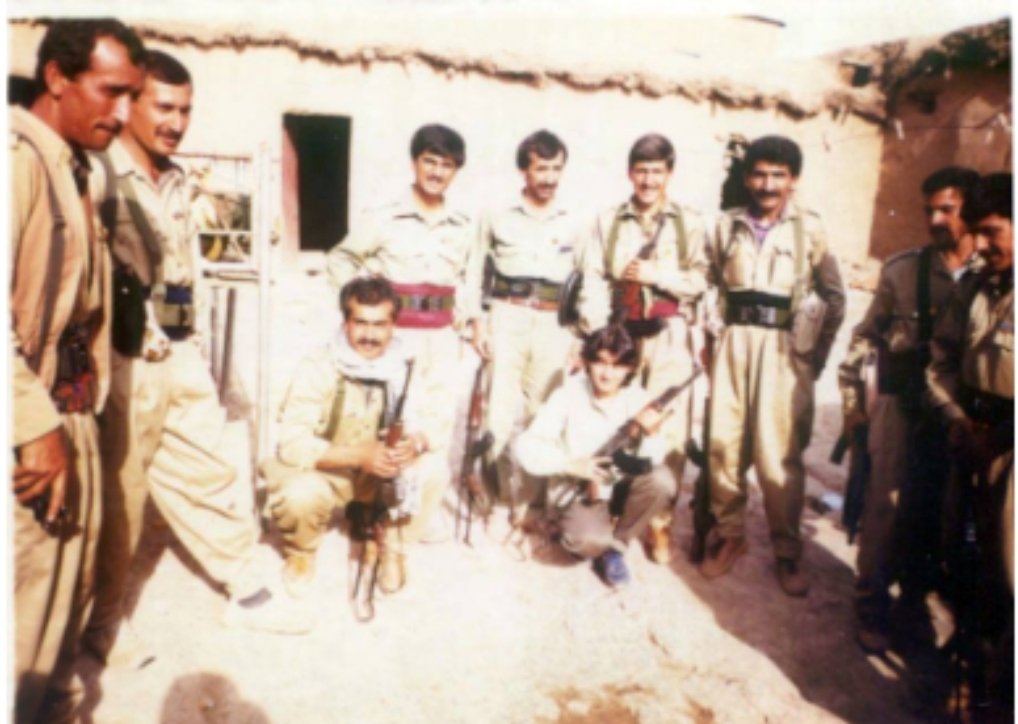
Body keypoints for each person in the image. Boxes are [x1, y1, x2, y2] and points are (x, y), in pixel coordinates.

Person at [85, 49, 300, 655]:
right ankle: (101, 627)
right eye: (165, 107)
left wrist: (197, 344)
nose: (177, 122)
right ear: (129, 104)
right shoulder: (100, 175)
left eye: (186, 109)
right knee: (120, 492)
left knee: (211, 468)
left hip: (178, 350)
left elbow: (188, 270)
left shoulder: (175, 177)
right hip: (125, 358)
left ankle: (248, 591)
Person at [10, 19, 144, 722]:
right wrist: (33, 425)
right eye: (110, 91)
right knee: (24, 632)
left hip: (70, 411)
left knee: (63, 610)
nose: (123, 115)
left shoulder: (73, 165)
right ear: (57, 79)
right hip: (30, 423)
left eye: (133, 98)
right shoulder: (15, 161)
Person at [838, 166, 981, 653]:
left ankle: (914, 602)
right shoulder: (902, 270)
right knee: (885, 508)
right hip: (901, 408)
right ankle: (872, 599)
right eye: (929, 210)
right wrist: (854, 404)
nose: (936, 219)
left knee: (942, 514)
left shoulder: (993, 277)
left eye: (949, 209)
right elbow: (864, 339)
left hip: (961, 416)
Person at [700, 135, 846, 596]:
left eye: (778, 175)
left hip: (786, 353)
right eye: (760, 174)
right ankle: (729, 537)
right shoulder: (725, 227)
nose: (767, 184)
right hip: (734, 344)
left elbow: (835, 298)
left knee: (777, 454)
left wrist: (813, 359)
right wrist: (708, 337)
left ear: (794, 181)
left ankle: (787, 552)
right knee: (724, 443)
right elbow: (706, 284)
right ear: (747, 178)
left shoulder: (811, 230)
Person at [263, 277, 450, 602]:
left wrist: (415, 442)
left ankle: (393, 547)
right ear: (345, 323)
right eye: (360, 322)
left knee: (434, 469)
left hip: (383, 470)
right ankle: (302, 553)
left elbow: (438, 421)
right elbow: (292, 443)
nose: (369, 335)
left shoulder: (409, 364)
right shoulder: (319, 365)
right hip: (330, 469)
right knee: (299, 493)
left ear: (394, 325)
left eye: (380, 325)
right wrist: (358, 455)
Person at [577, 133, 709, 564]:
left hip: (669, 334)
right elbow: (593, 277)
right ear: (630, 172)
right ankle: (611, 509)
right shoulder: (608, 220)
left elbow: (702, 280)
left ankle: (659, 523)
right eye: (641, 170)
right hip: (622, 334)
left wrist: (659, 275)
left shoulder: (689, 222)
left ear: (669, 173)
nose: (648, 180)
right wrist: (600, 337)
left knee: (667, 427)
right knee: (614, 421)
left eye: (657, 171)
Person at [325, 124, 472, 483]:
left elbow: (467, 276)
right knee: (389, 414)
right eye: (430, 161)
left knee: (436, 418)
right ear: (415, 162)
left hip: (440, 337)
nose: (437, 172)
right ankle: (371, 500)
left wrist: (463, 317)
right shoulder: (384, 216)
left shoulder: (463, 225)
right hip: (396, 334)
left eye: (447, 165)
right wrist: (363, 313)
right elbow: (341, 259)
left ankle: (420, 503)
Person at [465, 129, 584, 524]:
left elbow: (589, 280)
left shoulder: (575, 221)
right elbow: (473, 271)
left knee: (542, 412)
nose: (549, 178)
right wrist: (477, 322)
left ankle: (529, 503)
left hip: (554, 321)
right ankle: (496, 494)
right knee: (497, 413)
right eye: (541, 168)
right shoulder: (496, 216)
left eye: (556, 169)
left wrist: (581, 337)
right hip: (506, 314)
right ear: (524, 171)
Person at [927, 173, 1013, 708]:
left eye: (991, 232)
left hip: (1011, 452)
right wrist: (957, 420)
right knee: (960, 563)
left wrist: (999, 438)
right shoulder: (975, 287)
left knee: (1010, 574)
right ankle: (967, 677)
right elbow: (941, 362)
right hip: (970, 443)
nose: (978, 245)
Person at [515, 325, 674, 587]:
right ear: (588, 362)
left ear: (630, 368)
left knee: (663, 481)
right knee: (585, 539)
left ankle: (617, 547)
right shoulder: (568, 394)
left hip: (619, 486)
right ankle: (596, 540)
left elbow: (652, 464)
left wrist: (653, 433)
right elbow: (526, 446)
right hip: (579, 490)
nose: (607, 373)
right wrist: (570, 465)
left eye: (617, 365)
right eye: (600, 362)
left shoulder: (638, 399)